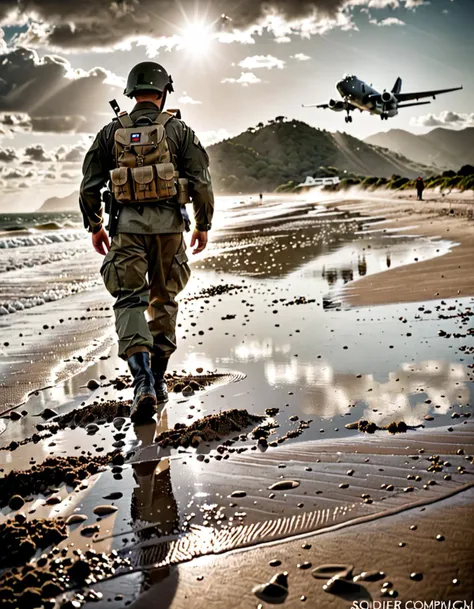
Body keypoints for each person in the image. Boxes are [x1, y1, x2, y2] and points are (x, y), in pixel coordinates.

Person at [79, 61, 214, 423]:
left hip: (126, 229)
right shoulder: (179, 130)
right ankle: (157, 378)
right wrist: (203, 224)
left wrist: (95, 226)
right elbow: (201, 181)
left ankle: (141, 384)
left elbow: (88, 186)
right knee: (164, 298)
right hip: (170, 230)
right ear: (164, 91)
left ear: (131, 92)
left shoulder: (111, 132)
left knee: (129, 300)